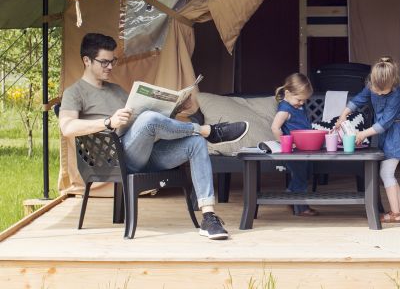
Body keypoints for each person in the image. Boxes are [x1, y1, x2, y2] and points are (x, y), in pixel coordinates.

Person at [59, 33, 248, 240]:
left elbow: (144, 124)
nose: (110, 67)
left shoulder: (116, 90)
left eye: (112, 61)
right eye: (104, 62)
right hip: (114, 159)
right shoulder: (74, 92)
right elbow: (67, 127)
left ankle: (209, 217)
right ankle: (209, 131)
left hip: (144, 152)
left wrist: (174, 109)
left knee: (194, 143)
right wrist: (107, 122)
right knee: (153, 119)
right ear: (86, 60)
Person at [334, 57, 400, 223]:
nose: (378, 93)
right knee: (390, 174)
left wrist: (361, 135)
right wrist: (342, 116)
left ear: (393, 83)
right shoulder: (371, 86)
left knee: (386, 173)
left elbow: (384, 123)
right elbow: (357, 101)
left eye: (383, 91)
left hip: (396, 134)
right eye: (376, 90)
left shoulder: (397, 95)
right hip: (383, 134)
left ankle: (395, 213)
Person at [270, 73, 319, 217]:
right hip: (293, 151)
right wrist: (285, 143)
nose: (302, 103)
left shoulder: (297, 105)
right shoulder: (285, 109)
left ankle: (290, 196)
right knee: (300, 177)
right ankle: (301, 208)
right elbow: (275, 127)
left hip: (303, 149)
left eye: (304, 100)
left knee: (304, 174)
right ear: (287, 93)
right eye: (299, 100)